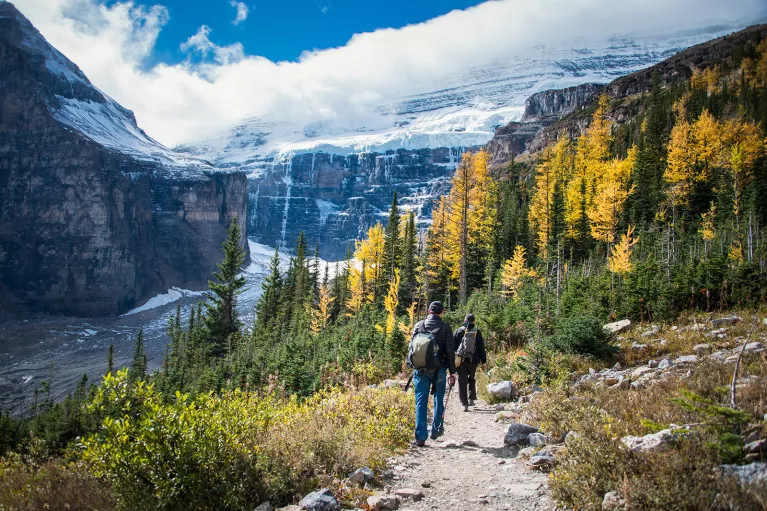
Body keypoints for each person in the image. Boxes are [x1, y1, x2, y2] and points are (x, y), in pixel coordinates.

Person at [410, 301, 455, 446]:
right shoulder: (446, 328)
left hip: (420, 369)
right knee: (438, 398)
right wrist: (453, 372)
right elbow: (450, 352)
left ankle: (420, 436)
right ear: (442, 313)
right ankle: (436, 430)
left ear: (429, 311)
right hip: (439, 369)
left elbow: (412, 347)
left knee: (421, 401)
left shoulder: (419, 325)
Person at [453, 313, 486, 412]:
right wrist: (483, 361)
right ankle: (471, 398)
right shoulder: (477, 332)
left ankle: (464, 404)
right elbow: (481, 347)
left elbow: (452, 347)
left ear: (464, 320)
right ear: (474, 321)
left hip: (461, 360)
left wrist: (451, 361)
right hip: (474, 360)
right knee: (471, 378)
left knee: (462, 381)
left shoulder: (458, 331)